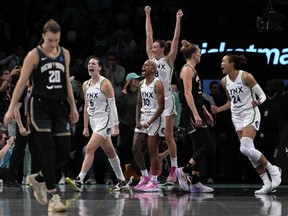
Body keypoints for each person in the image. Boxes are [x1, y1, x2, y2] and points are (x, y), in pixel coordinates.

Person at [3, 19, 79, 212]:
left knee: (64, 152)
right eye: (50, 40)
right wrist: (11, 108)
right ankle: (54, 197)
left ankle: (38, 179)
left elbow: (67, 83)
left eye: (57, 40)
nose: (53, 44)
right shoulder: (34, 55)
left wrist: (73, 106)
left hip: (60, 106)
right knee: (49, 150)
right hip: (39, 107)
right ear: (44, 36)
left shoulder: (65, 54)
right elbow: (21, 83)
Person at [211, 54, 282, 194]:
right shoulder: (224, 81)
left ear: (231, 64)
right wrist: (218, 109)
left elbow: (262, 95)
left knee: (244, 148)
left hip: (250, 113)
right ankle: (266, 183)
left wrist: (258, 102)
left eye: (223, 62)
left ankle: (273, 170)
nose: (221, 64)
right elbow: (230, 102)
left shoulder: (246, 77)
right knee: (249, 151)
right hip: (236, 116)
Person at [65, 56, 128, 192]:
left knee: (89, 148)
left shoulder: (105, 84)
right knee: (110, 152)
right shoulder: (86, 84)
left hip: (105, 121)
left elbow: (113, 106)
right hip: (94, 121)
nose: (90, 65)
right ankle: (122, 180)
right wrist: (86, 126)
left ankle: (79, 180)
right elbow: (87, 106)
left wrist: (115, 125)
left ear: (99, 67)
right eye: (89, 63)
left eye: (93, 63)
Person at [144, 5, 183, 184]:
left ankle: (174, 168)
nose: (152, 49)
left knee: (168, 136)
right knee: (153, 141)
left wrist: (178, 20)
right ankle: (154, 174)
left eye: (155, 47)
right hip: (153, 103)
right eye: (151, 47)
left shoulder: (168, 60)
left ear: (161, 49)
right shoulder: (150, 60)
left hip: (167, 100)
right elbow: (148, 34)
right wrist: (148, 15)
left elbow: (175, 39)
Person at [175, 40, 214, 193]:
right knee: (208, 145)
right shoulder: (186, 70)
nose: (200, 55)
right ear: (193, 54)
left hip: (196, 108)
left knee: (198, 146)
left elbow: (197, 95)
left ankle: (195, 181)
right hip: (190, 111)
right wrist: (196, 113)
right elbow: (187, 93)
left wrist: (204, 110)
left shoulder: (193, 70)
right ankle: (184, 171)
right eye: (198, 52)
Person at [132, 60, 165, 191]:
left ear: (153, 69)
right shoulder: (141, 83)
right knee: (135, 148)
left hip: (155, 119)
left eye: (147, 65)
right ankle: (145, 176)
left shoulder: (158, 84)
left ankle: (154, 180)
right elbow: (139, 103)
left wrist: (149, 122)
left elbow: (161, 107)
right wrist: (137, 120)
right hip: (143, 117)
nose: (143, 66)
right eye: (143, 64)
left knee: (152, 151)